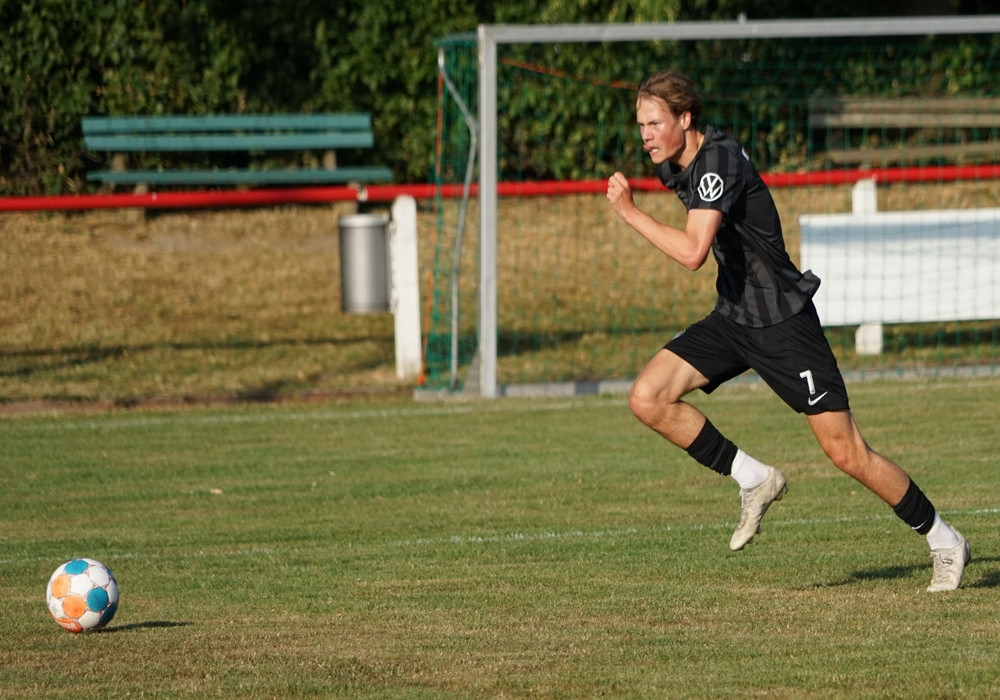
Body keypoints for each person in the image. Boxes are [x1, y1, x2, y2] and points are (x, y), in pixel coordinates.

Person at [605, 69, 969, 592]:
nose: (645, 135)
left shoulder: (717, 162)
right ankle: (754, 478)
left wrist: (629, 213)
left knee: (847, 453)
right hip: (735, 316)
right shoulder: (675, 163)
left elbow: (692, 252)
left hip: (783, 323)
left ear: (685, 119)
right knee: (648, 397)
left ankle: (944, 540)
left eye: (654, 123)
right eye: (640, 124)